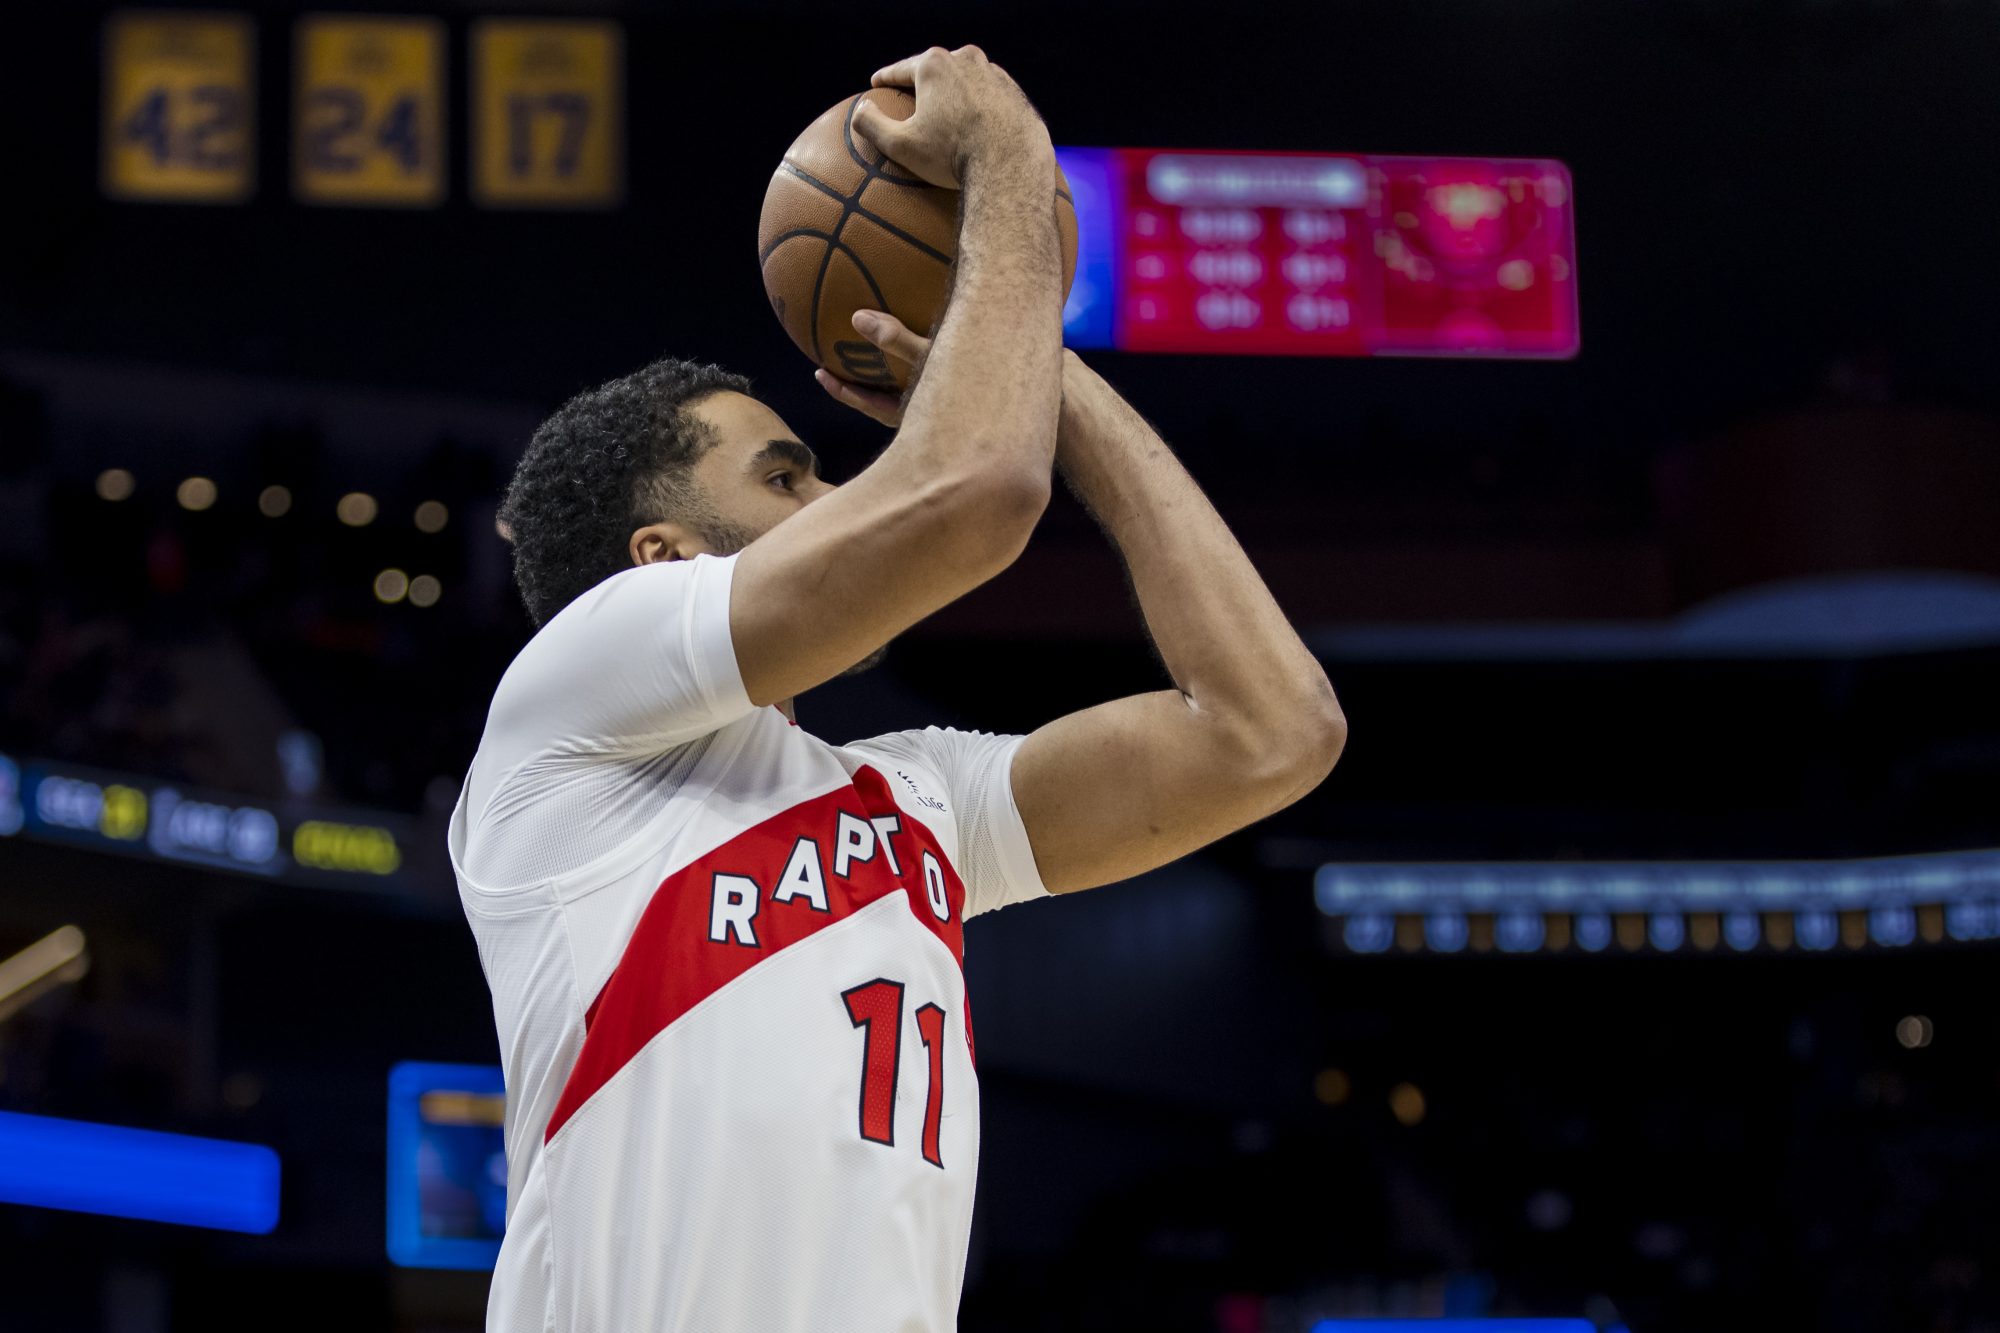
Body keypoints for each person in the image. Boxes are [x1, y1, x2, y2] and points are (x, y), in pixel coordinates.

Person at [448, 45, 1345, 1333]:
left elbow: (1273, 732)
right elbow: (975, 497)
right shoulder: (571, 701)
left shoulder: (917, 799)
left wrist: (1063, 387)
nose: (834, 494)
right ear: (662, 561)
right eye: (783, 475)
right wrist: (1008, 173)